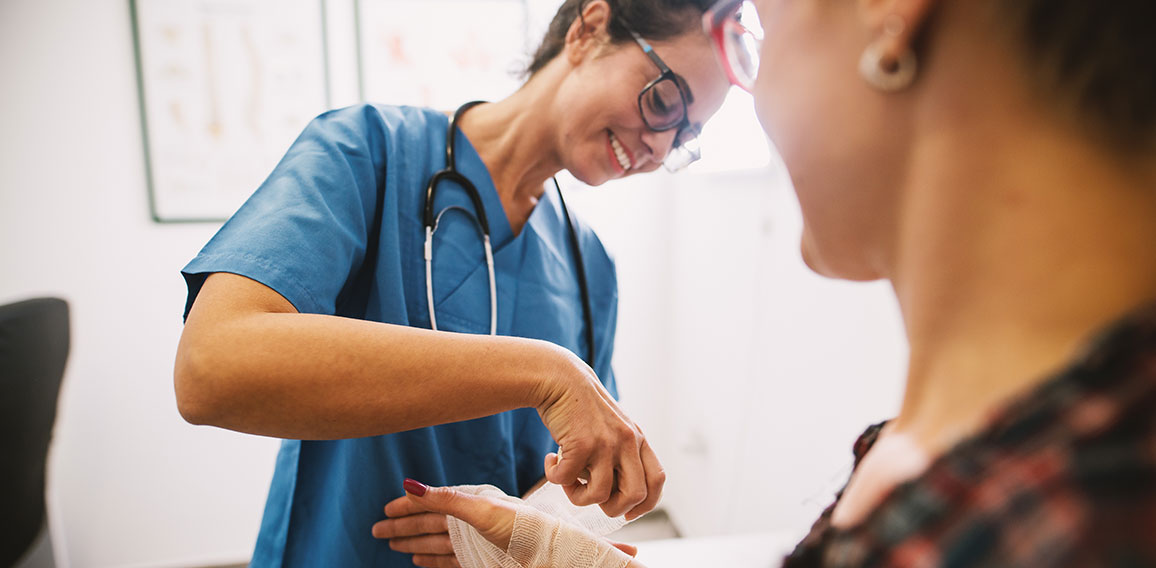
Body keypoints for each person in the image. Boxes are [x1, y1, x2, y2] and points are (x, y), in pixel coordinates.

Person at [394, 0, 1156, 565]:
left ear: (889, 14)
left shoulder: (1051, 516)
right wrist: (549, 547)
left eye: (758, 28)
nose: (660, 148)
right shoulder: (971, 461)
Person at [173, 0, 728, 565]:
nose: (659, 148)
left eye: (684, 137)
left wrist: (531, 537)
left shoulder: (589, 266)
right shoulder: (369, 151)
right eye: (665, 101)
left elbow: (572, 478)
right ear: (588, 29)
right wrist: (545, 373)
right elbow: (209, 369)